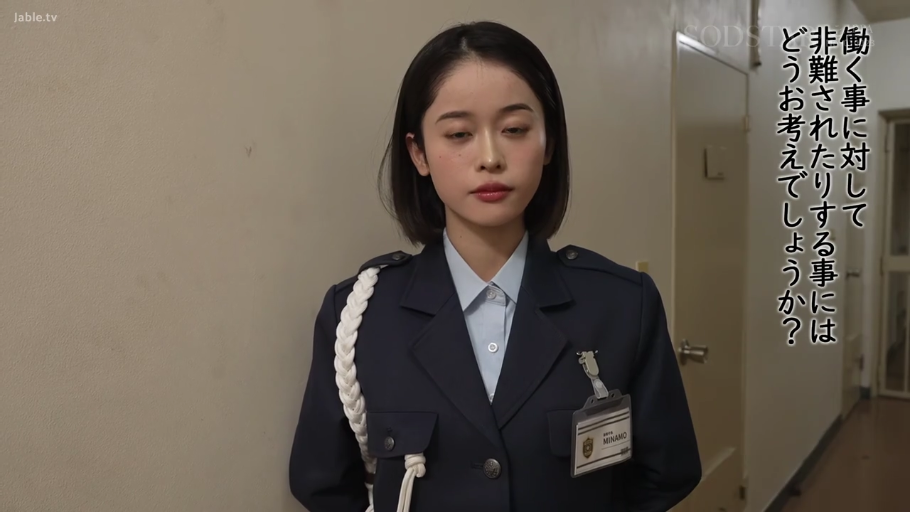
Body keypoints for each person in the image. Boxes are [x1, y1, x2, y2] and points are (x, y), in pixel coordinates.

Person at [288, 20, 701, 512]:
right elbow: (322, 483)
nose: (490, 157)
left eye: (514, 130)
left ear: (548, 143)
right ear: (419, 153)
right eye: (459, 133)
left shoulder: (621, 305)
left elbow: (666, 472)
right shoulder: (360, 316)